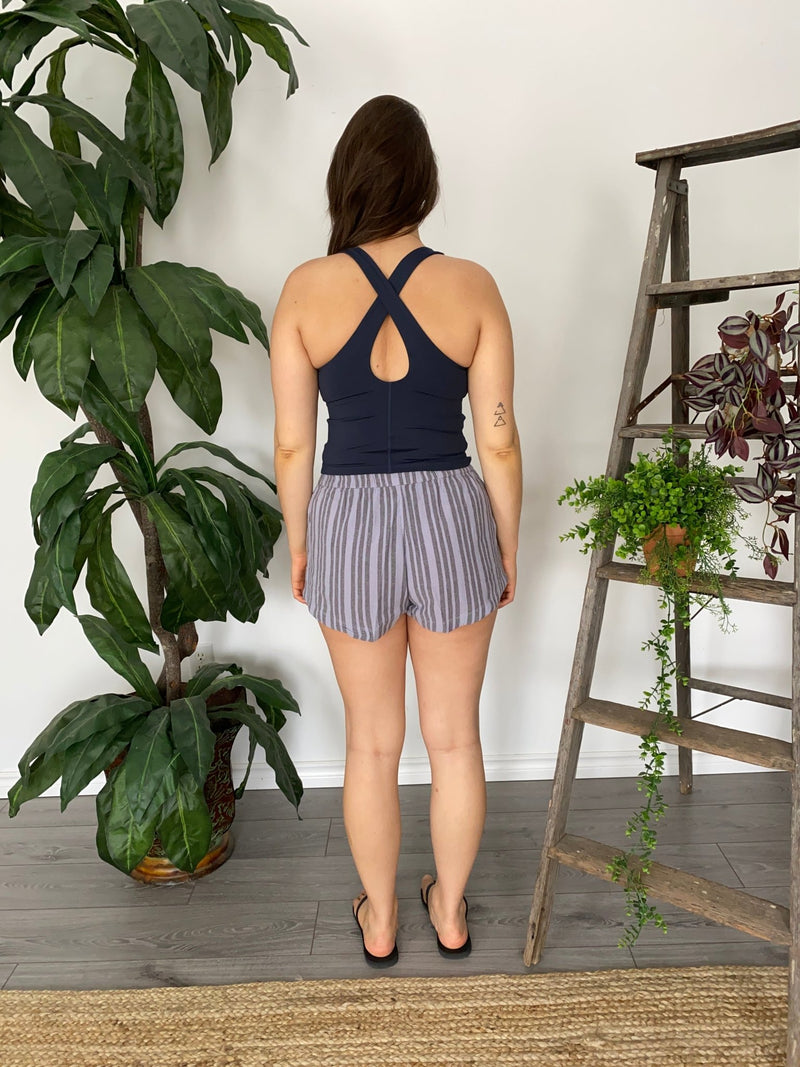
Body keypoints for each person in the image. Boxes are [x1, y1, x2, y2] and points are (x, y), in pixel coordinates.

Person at [269, 95, 522, 967]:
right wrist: (505, 541)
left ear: (346, 179)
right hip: (453, 511)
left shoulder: (305, 289)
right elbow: (498, 437)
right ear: (424, 182)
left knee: (372, 743)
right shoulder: (473, 285)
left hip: (348, 514)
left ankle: (379, 919)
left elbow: (294, 443)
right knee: (454, 738)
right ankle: (448, 911)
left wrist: (302, 541)